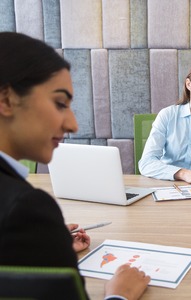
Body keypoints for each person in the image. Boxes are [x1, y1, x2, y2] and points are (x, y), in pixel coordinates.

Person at [0, 32, 150, 299]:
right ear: (6, 99)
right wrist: (119, 296)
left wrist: (45, 248)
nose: (73, 124)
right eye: (59, 103)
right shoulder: (26, 210)